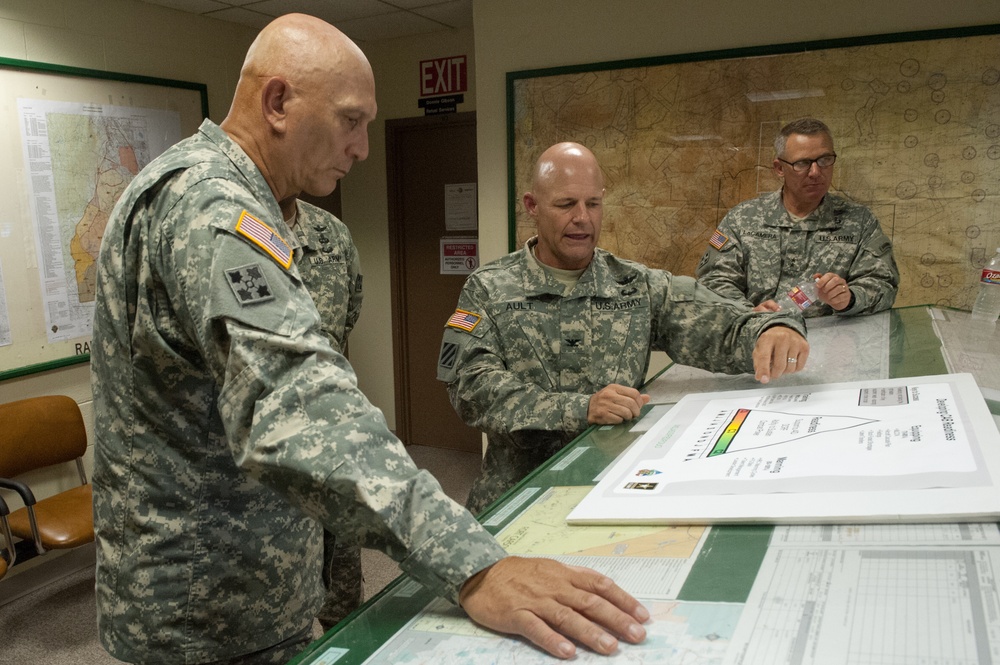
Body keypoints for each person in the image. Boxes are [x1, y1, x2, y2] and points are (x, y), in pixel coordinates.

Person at [91, 15, 649, 665]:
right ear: (277, 102)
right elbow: (301, 407)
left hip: (262, 587)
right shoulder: (207, 205)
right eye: (352, 120)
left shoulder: (264, 211)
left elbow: (323, 371)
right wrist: (471, 563)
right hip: (201, 613)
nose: (361, 147)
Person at [437, 141, 811, 516]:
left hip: (613, 490)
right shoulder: (489, 288)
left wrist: (773, 327)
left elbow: (718, 321)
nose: (583, 217)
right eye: (566, 204)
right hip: (516, 497)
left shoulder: (633, 285)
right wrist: (581, 408)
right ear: (533, 206)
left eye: (593, 204)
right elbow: (471, 388)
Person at [696, 117, 899, 317]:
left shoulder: (859, 222)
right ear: (779, 168)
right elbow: (713, 281)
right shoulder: (742, 219)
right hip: (759, 341)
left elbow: (883, 285)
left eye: (825, 160)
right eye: (802, 163)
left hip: (829, 344)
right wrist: (748, 314)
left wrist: (850, 298)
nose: (815, 172)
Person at [279, 195, 364, 630]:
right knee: (277, 612)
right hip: (263, 464)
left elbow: (347, 315)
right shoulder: (228, 224)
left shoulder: (332, 234)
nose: (357, 148)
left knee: (343, 595)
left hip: (330, 439)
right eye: (348, 123)